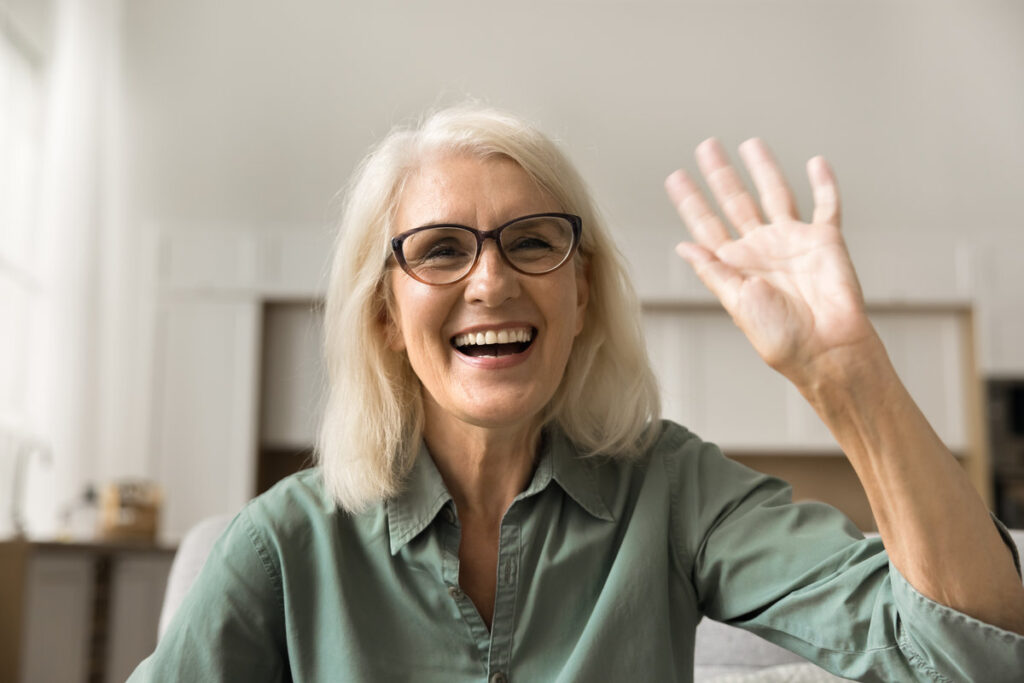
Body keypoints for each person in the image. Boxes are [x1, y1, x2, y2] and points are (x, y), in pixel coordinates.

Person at [130, 106, 1024, 682]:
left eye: (532, 242)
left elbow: (964, 655)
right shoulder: (282, 544)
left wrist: (847, 374)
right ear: (385, 317)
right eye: (441, 250)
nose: (491, 282)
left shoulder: (675, 490)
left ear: (582, 291)